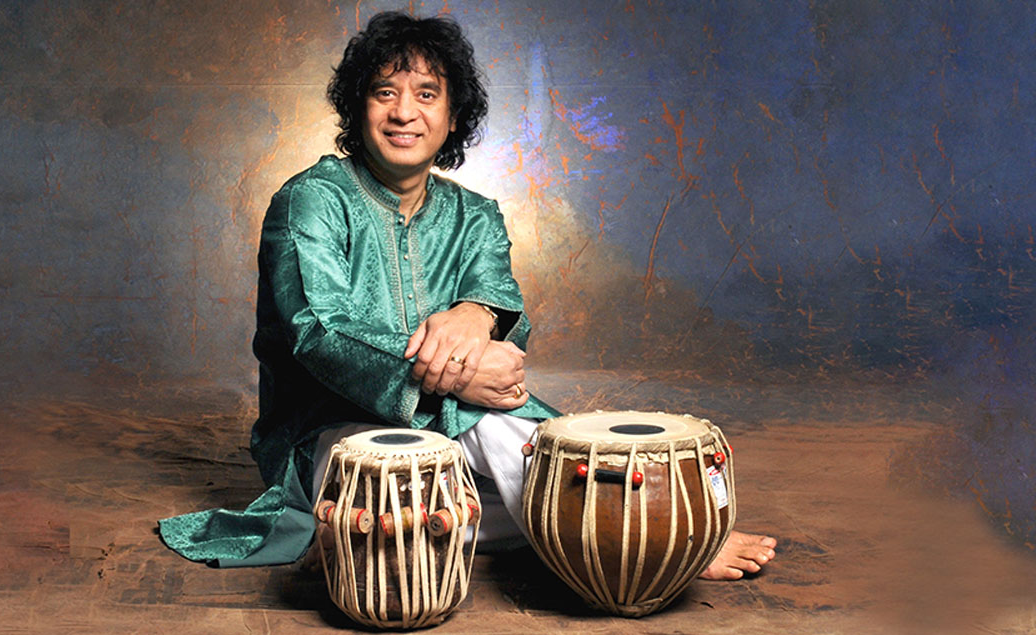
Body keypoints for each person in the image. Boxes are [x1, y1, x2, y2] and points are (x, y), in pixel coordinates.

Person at [159, 11, 776, 580]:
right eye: (385, 93)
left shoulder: (474, 215)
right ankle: (639, 538)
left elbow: (509, 313)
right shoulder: (311, 201)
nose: (405, 113)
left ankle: (631, 533)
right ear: (358, 108)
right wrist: (453, 378)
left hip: (459, 441)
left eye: (427, 95)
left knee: (500, 446)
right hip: (329, 437)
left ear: (453, 117)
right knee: (473, 452)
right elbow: (317, 331)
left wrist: (474, 313)